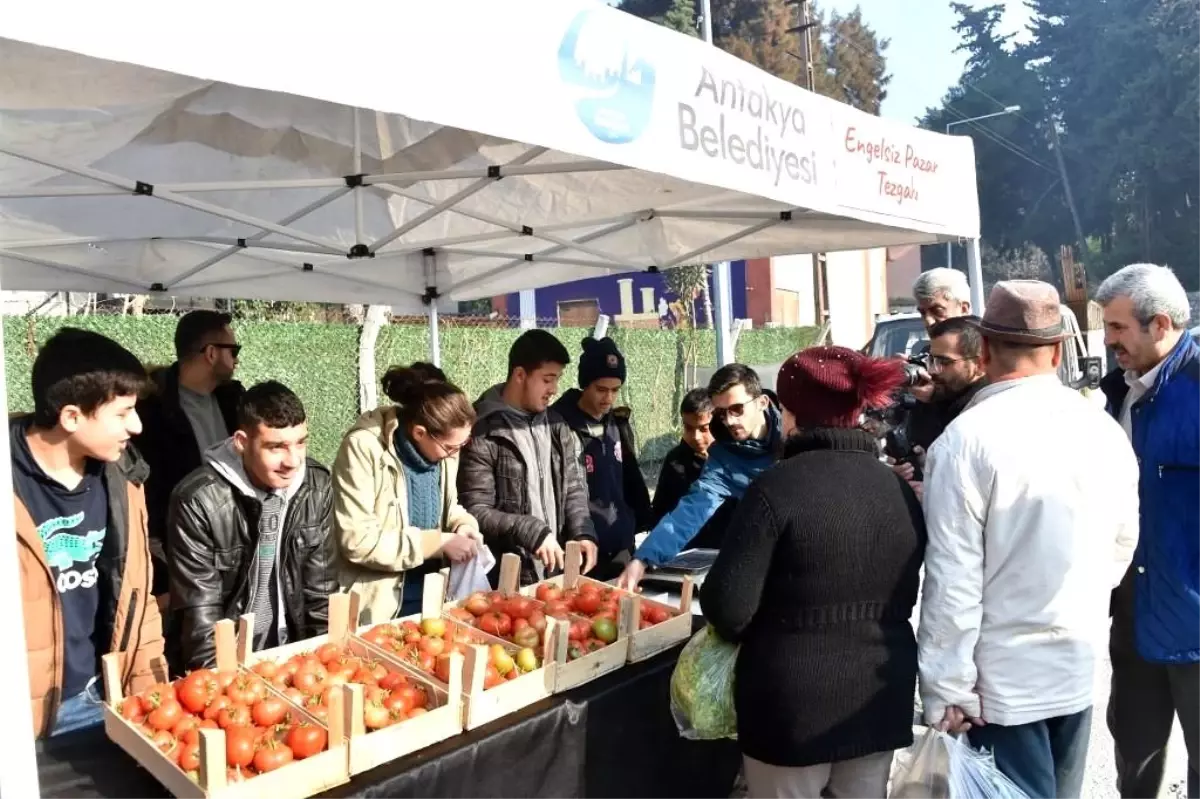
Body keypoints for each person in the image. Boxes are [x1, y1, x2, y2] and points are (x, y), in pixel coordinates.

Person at [919, 280, 1139, 799]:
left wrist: (944, 686)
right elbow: (1122, 542)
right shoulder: (1102, 429)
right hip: (1075, 663)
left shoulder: (966, 440)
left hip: (1002, 682)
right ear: (1059, 349)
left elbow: (953, 577)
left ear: (986, 349)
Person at [703, 346, 925, 799]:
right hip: (879, 695)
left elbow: (728, 607)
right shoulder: (897, 489)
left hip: (791, 707)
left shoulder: (775, 488)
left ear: (792, 412)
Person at [16, 328, 164, 737]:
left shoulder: (124, 478)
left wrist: (149, 695)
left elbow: (139, 595)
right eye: (122, 413)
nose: (136, 426)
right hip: (21, 720)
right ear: (71, 416)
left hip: (105, 697)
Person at [1095, 263, 1200, 799]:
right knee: (1134, 756)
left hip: (1195, 614)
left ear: (1159, 324)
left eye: (1117, 328)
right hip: (1134, 607)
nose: (1107, 341)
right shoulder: (1118, 391)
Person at [167, 381, 338, 669]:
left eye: (301, 442)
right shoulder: (198, 499)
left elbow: (321, 594)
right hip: (231, 663)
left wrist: (328, 665)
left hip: (295, 657)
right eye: (276, 447)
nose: (293, 460)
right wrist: (221, 689)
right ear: (241, 442)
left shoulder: (316, 485)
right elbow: (200, 615)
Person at [333, 363, 483, 624]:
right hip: (380, 608)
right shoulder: (363, 448)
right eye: (450, 447)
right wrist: (437, 543)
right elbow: (357, 540)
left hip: (435, 598)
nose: (456, 453)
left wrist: (462, 524)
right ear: (419, 433)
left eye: (463, 444)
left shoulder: (445, 453)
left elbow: (449, 506)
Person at [617, 364, 782, 592]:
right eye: (722, 413)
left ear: (762, 402)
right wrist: (643, 558)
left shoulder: (795, 435)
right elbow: (692, 510)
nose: (730, 421)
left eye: (737, 409)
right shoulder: (724, 457)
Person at [457, 330, 599, 585]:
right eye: (547, 379)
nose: (554, 389)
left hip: (555, 576)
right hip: (506, 580)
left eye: (557, 380)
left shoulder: (557, 424)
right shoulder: (483, 429)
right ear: (520, 375)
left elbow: (574, 488)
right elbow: (474, 510)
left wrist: (582, 532)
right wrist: (529, 530)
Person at [136, 310, 244, 598]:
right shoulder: (151, 411)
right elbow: (149, 493)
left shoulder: (236, 400)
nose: (237, 358)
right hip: (180, 554)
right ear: (211, 353)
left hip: (235, 545)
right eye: (233, 350)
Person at [551, 337, 652, 581]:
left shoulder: (616, 423)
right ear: (585, 384)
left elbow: (630, 478)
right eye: (601, 389)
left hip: (621, 549)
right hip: (583, 552)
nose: (608, 398)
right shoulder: (558, 424)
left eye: (615, 390)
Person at [891, 316, 988, 496]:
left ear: (979, 364)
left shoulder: (986, 411)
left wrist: (931, 492)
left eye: (944, 363)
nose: (934, 370)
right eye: (931, 360)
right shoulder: (940, 399)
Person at [651, 388, 715, 527]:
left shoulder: (733, 460)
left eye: (704, 429)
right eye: (689, 428)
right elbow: (660, 511)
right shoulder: (675, 461)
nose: (696, 437)